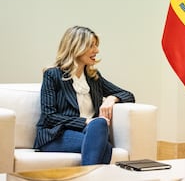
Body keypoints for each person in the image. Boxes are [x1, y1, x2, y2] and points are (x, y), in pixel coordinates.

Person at [33, 26, 135, 165]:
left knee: (100, 124)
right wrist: (86, 121)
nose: (97, 51)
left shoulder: (93, 77)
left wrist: (111, 99)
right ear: (76, 47)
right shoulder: (52, 75)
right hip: (57, 135)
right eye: (91, 46)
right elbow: (49, 116)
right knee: (104, 145)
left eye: (96, 45)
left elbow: (128, 95)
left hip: (91, 132)